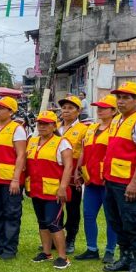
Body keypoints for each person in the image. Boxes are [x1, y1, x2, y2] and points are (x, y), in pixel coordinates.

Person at [103, 81, 136, 272]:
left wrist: (135, 182)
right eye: (119, 97)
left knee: (133, 223)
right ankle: (125, 256)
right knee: (116, 221)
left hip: (129, 183)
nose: (121, 101)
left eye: (126, 97)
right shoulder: (117, 120)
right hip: (112, 180)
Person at [26, 110, 74, 270]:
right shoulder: (32, 141)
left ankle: (63, 257)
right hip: (37, 189)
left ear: (54, 126)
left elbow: (69, 166)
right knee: (42, 222)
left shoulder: (62, 142)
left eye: (46, 124)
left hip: (54, 191)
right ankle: (46, 252)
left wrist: (63, 187)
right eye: (40, 123)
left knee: (54, 223)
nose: (42, 126)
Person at [74, 94, 118, 264]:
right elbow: (84, 150)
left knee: (110, 216)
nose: (100, 110)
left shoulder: (115, 129)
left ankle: (110, 250)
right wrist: (78, 170)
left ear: (113, 111)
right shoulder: (91, 128)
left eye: (104, 108)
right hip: (90, 180)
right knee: (88, 214)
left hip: (107, 180)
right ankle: (92, 248)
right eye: (98, 107)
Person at [0, 96, 28, 260]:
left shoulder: (17, 129)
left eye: (1, 108)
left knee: (11, 214)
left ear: (11, 112)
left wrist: (16, 179)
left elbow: (21, 155)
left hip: (10, 181)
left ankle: (10, 248)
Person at [57, 95, 89, 254]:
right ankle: (56, 238)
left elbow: (85, 152)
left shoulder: (84, 129)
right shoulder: (55, 127)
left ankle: (70, 239)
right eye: (64, 108)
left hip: (73, 176)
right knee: (55, 208)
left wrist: (80, 172)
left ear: (78, 111)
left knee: (72, 208)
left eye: (70, 108)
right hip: (55, 173)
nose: (66, 111)